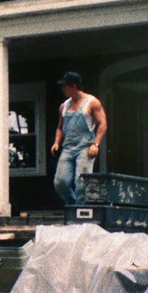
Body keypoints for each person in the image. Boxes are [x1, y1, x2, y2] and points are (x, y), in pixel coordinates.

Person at [50, 71, 108, 205]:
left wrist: (96, 144)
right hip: (68, 148)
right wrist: (56, 142)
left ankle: (80, 210)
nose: (63, 89)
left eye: (65, 86)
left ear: (73, 86)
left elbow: (103, 124)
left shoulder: (92, 102)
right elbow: (60, 127)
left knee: (81, 182)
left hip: (85, 147)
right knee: (60, 183)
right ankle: (73, 206)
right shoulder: (64, 106)